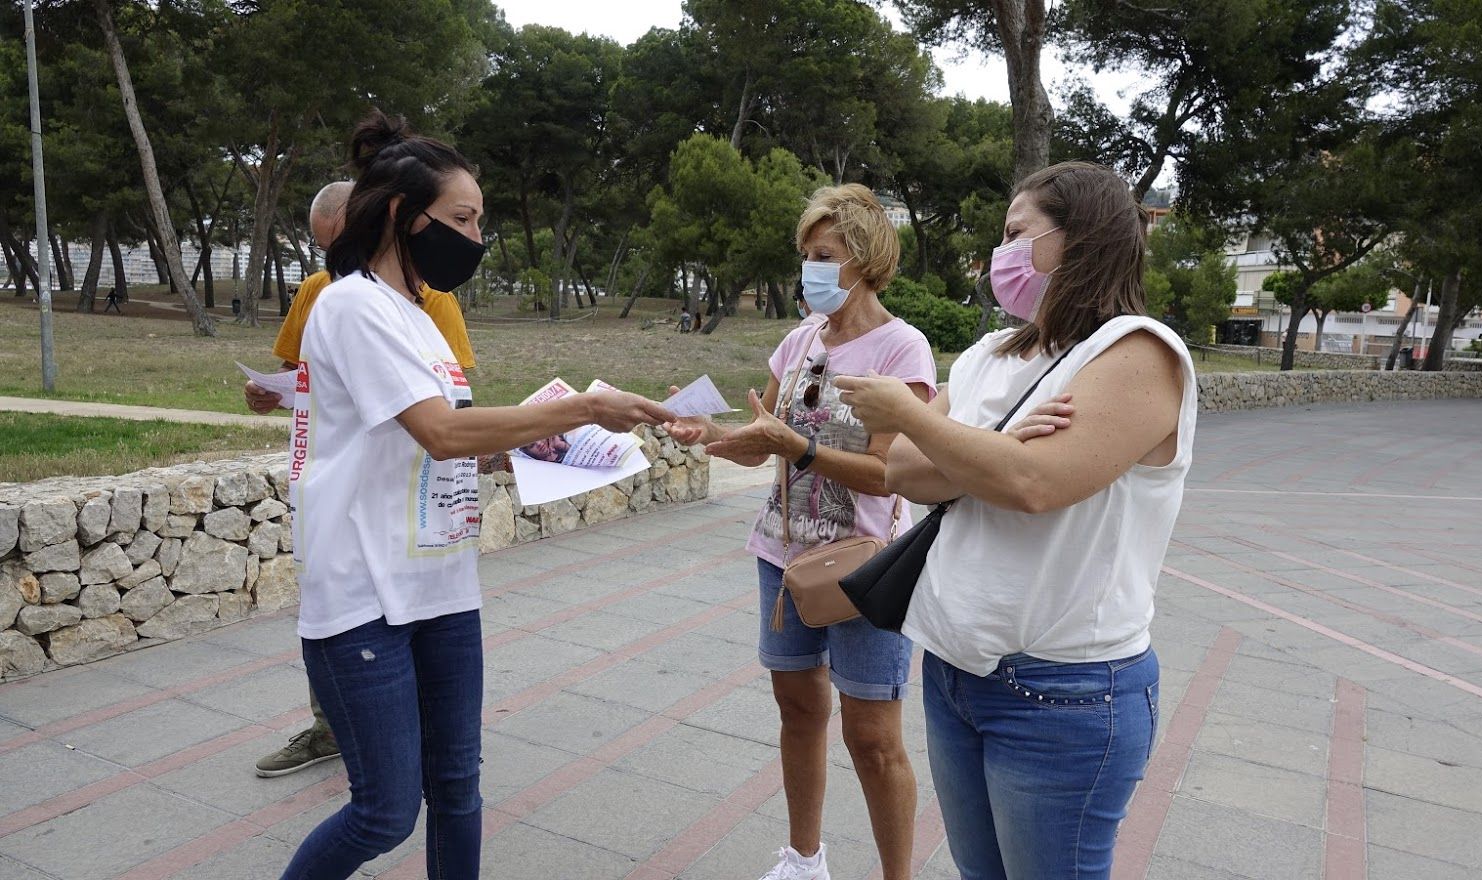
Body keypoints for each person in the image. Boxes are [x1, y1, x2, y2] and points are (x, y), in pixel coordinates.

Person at [280, 110, 676, 880]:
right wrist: (586, 408)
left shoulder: (421, 316)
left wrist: (572, 446)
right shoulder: (350, 303)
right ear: (402, 213)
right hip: (365, 593)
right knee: (385, 811)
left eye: (479, 220)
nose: (474, 236)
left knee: (458, 787)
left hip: (441, 585)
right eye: (462, 218)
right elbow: (438, 431)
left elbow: (452, 441)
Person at [834, 161, 1197, 880]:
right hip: (954, 666)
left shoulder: (1136, 351)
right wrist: (995, 448)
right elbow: (904, 470)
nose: (999, 250)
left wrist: (917, 416)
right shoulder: (992, 353)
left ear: (1081, 238)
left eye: (1015, 231)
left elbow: (1034, 484)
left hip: (1063, 692)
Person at [670, 184, 933, 880]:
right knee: (795, 709)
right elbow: (767, 445)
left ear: (865, 260)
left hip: (863, 569)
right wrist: (719, 436)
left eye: (825, 256)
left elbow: (887, 475)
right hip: (780, 556)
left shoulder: (902, 350)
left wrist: (800, 449)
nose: (809, 270)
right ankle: (803, 859)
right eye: (805, 255)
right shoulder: (797, 341)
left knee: (873, 737)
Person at [243, 180, 481, 779]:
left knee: (441, 772)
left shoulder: (434, 303)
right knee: (342, 617)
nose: (334, 259)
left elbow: (455, 404)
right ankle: (334, 726)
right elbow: (298, 372)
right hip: (340, 496)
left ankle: (395, 730)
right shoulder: (326, 295)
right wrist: (270, 393)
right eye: (324, 247)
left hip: (417, 517)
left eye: (342, 241)